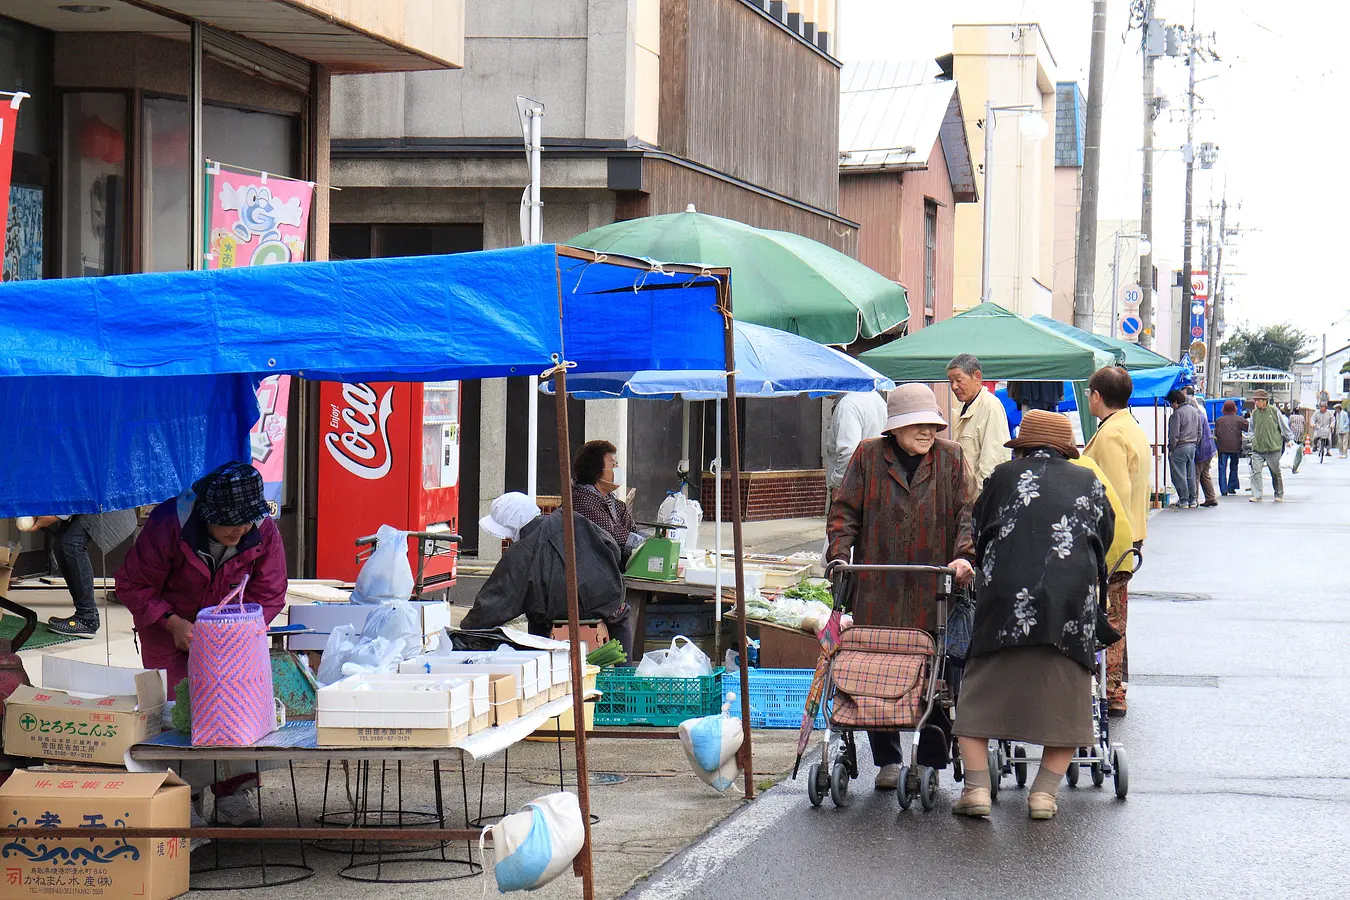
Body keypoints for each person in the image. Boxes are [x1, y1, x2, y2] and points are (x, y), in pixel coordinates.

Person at [952, 410, 1116, 821]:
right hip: (1068, 606)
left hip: (1003, 602)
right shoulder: (1088, 481)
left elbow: (980, 526)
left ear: (1023, 446)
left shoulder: (1004, 477)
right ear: (1067, 449)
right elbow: (1105, 535)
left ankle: (976, 789)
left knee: (978, 696)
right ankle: (1043, 795)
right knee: (1067, 704)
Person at [114, 461, 287, 827]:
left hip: (234, 638)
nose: (239, 530)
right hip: (170, 631)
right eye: (229, 523)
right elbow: (132, 584)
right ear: (207, 515)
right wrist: (171, 622)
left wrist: (242, 631)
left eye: (245, 521)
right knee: (178, 714)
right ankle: (182, 799)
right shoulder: (168, 525)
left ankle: (235, 795)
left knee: (239, 712)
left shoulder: (262, 530)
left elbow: (270, 590)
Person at [827, 383, 976, 790]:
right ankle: (888, 760)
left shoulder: (951, 458)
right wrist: (839, 557)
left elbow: (967, 513)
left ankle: (929, 759)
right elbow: (844, 513)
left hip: (936, 589)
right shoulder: (868, 456)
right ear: (895, 428)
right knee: (879, 673)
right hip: (879, 587)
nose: (928, 432)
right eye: (917, 425)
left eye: (932, 424)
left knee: (936, 672)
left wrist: (964, 556)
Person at [463, 492, 635, 656]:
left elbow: (494, 603)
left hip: (563, 614)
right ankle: (625, 677)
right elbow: (611, 546)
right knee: (619, 613)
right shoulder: (570, 518)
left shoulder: (521, 553)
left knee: (536, 614)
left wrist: (465, 630)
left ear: (512, 526)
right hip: (611, 600)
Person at [1083, 366, 1151, 716]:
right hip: (1131, 535)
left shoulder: (1110, 435)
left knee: (1109, 617)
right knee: (1116, 614)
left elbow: (1111, 496)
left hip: (1112, 541)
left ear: (1097, 395)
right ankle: (1114, 685)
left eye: (1089, 392)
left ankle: (1111, 689)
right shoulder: (1129, 426)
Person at [20, 510, 136, 637]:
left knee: (72, 543)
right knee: (61, 544)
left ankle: (87, 618)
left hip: (98, 497)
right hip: (85, 499)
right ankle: (86, 616)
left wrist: (56, 514)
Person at [570, 440, 646, 565]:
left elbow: (631, 530)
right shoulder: (581, 500)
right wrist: (645, 544)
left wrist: (654, 541)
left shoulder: (612, 501)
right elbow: (610, 535)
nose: (617, 469)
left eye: (617, 464)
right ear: (595, 471)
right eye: (613, 465)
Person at [947, 354, 1011, 490]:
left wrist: (980, 502)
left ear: (977, 376)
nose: (954, 387)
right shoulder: (961, 408)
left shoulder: (990, 406)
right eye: (950, 381)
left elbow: (993, 461)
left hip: (979, 500)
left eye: (959, 380)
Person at [825, 391, 888, 500]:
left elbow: (849, 453)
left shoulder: (847, 405)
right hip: (875, 483)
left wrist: (838, 485)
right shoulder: (877, 399)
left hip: (852, 490)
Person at [1166, 389, 1203, 509]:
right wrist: (1195, 442)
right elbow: (1200, 431)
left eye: (1171, 403)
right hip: (1192, 446)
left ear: (1176, 402)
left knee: (1179, 475)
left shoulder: (1177, 414)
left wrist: (1171, 448)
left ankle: (1184, 500)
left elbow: (1174, 435)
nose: (1171, 406)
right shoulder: (1195, 411)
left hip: (1179, 447)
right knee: (1190, 474)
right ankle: (1193, 499)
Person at [1248, 390, 1287, 502]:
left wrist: (1290, 439)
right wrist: (1252, 438)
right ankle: (1257, 494)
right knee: (1256, 471)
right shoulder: (1254, 413)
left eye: (1258, 400)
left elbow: (1283, 427)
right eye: (1255, 400)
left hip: (1273, 448)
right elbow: (1250, 429)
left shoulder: (1275, 412)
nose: (1256, 402)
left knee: (1275, 472)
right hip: (1258, 448)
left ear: (1265, 401)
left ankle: (1278, 493)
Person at [1214, 400, 1247, 495]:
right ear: (1234, 409)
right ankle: (1231, 486)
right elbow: (1248, 428)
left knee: (1222, 467)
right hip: (1235, 446)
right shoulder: (1239, 419)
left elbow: (1216, 434)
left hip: (1222, 447)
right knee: (1234, 466)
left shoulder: (1219, 420)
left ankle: (1223, 489)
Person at [1287, 405, 1306, 474]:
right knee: (1298, 449)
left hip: (1293, 433)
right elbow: (1304, 424)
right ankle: (1295, 466)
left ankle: (1292, 464)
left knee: (1292, 449)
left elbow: (1288, 424)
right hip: (1300, 433)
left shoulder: (1291, 417)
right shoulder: (1302, 417)